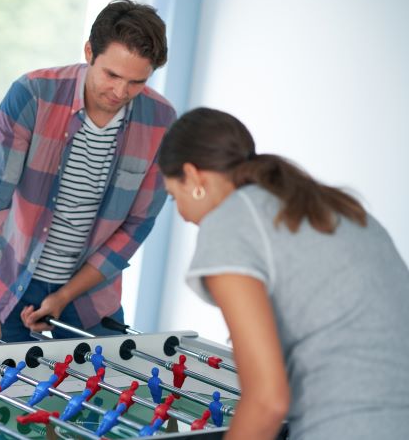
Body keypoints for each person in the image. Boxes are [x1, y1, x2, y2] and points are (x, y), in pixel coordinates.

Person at [159, 107, 409, 439]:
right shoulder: (329, 205)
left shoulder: (229, 221)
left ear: (192, 176)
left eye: (173, 195)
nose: (182, 213)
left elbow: (267, 401)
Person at [0, 0, 177, 344]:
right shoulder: (33, 94)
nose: (121, 92)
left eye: (136, 82)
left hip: (91, 297)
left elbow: (137, 225)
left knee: (103, 395)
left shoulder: (162, 122)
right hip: (12, 286)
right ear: (90, 52)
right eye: (112, 74)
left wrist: (63, 296)